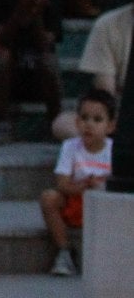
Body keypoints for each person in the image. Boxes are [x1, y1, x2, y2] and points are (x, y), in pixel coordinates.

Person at [0, 0, 62, 146]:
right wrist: (21, 10)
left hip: (39, 79)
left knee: (49, 61)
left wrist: (35, 13)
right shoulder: (0, 4)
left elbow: (45, 44)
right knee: (1, 58)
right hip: (9, 81)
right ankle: (2, 123)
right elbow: (0, 41)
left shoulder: (50, 7)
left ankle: (55, 123)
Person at [40, 88, 114, 277]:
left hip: (104, 207)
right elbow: (62, 184)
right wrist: (82, 187)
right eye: (84, 118)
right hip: (76, 200)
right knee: (49, 198)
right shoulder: (70, 147)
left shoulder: (114, 151)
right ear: (77, 121)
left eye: (97, 120)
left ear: (110, 126)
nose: (89, 124)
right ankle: (65, 251)